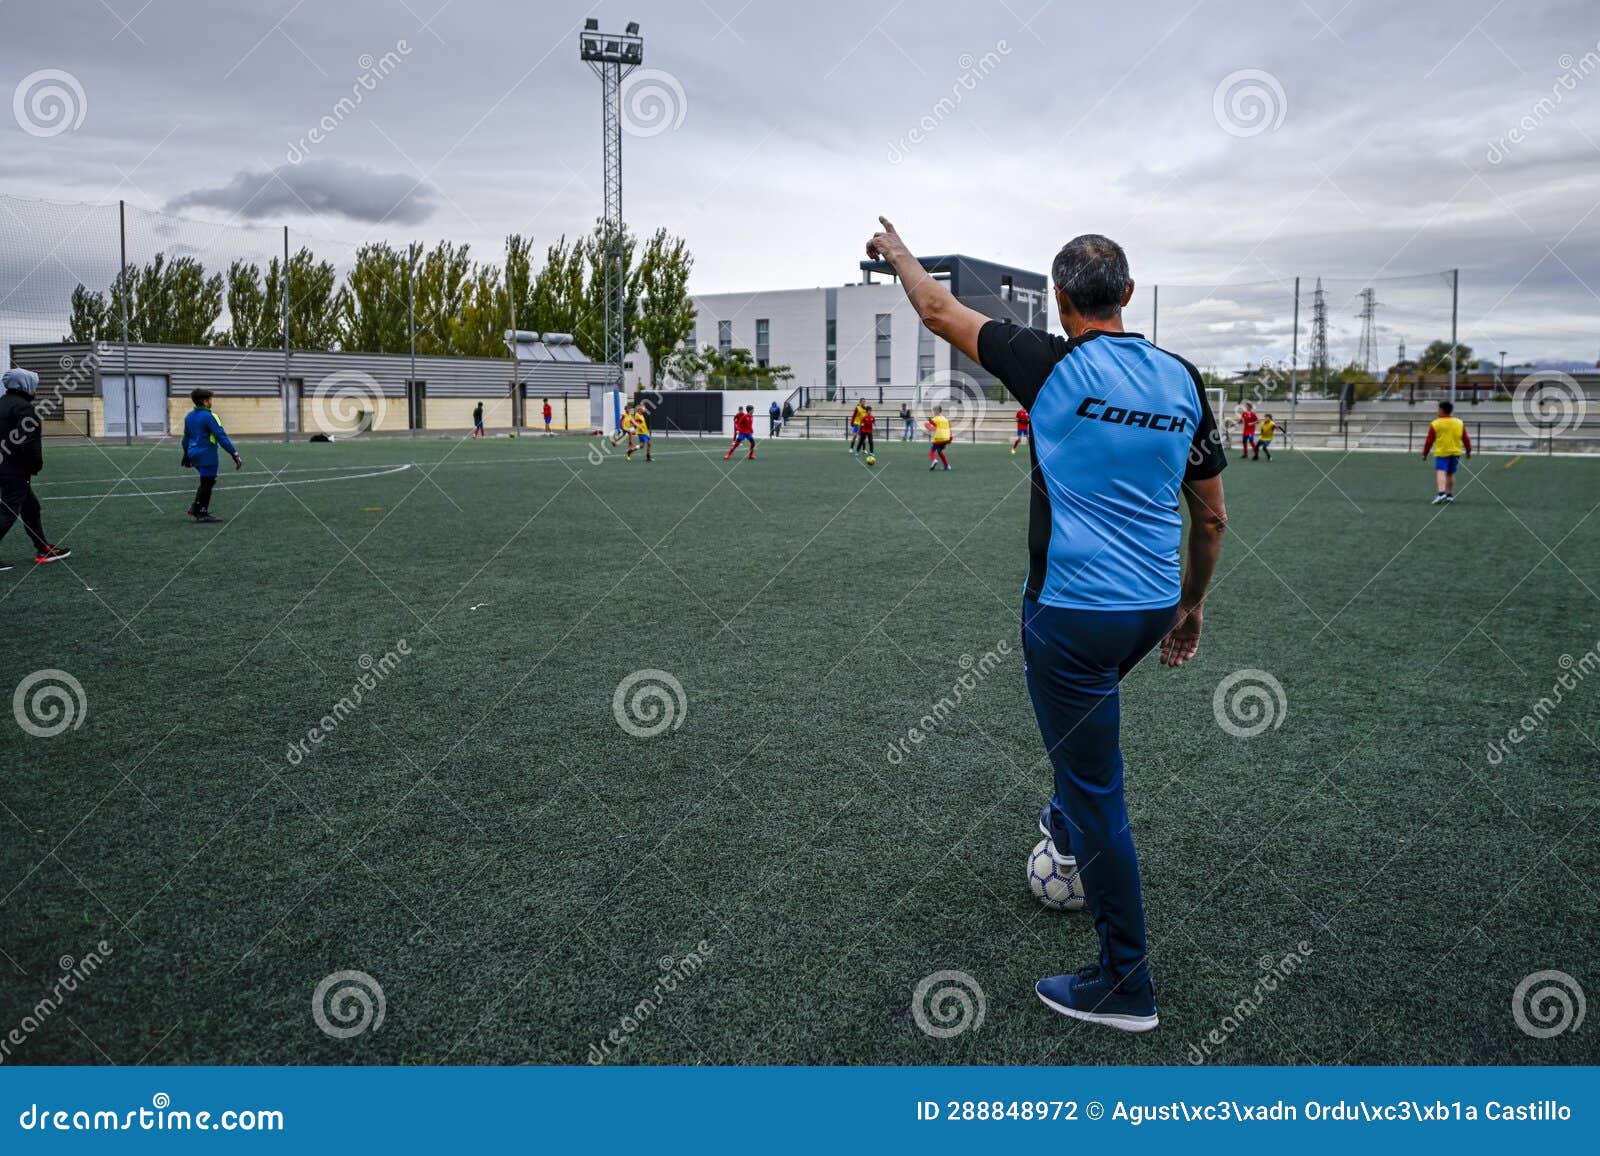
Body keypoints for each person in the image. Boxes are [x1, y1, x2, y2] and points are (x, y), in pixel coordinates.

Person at [867, 217, 1227, 1033]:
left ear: (1060, 301)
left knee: (1100, 792)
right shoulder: (1183, 379)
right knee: (1086, 750)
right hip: (1146, 611)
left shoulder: (1048, 363)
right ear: (1128, 296)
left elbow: (935, 311)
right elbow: (1211, 519)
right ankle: (1064, 822)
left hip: (1069, 617)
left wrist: (895, 255)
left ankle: (1125, 983)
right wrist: (1191, 605)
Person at [0, 368, 70, 570]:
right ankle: (42, 549)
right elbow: (28, 443)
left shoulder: (2, 404)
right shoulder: (24, 409)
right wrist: (34, 465)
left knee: (30, 507)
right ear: (24, 385)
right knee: (8, 511)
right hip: (14, 470)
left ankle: (43, 548)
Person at [182, 388, 243, 523]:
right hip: (207, 455)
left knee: (207, 481)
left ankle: (195, 507)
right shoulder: (210, 416)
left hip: (193, 454)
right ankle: (201, 512)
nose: (211, 402)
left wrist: (185, 454)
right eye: (210, 400)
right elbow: (221, 437)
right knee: (207, 482)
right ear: (205, 401)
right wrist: (234, 454)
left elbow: (185, 438)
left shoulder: (189, 416)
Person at [1421, 399, 1470, 504]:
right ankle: (1450, 495)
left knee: (1441, 472)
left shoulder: (1436, 423)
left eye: (1438, 409)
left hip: (1442, 452)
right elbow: (1465, 438)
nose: (1437, 411)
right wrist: (1468, 451)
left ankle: (1441, 494)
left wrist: (1425, 453)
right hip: (1456, 452)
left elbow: (1429, 440)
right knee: (1450, 474)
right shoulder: (1459, 422)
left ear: (1442, 410)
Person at [925, 405, 952, 470]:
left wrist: (927, 425)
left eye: (934, 411)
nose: (933, 412)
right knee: (939, 451)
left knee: (931, 452)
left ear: (937, 411)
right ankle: (947, 466)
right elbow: (949, 427)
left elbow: (930, 425)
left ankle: (934, 460)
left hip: (939, 438)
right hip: (947, 438)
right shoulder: (945, 419)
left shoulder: (935, 418)